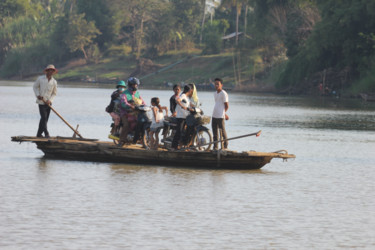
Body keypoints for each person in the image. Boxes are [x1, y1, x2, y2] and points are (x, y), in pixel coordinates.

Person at [33, 64, 58, 138]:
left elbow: (54, 93)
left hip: (48, 104)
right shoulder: (40, 79)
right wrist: (38, 95)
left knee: (45, 119)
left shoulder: (54, 82)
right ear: (46, 71)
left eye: (52, 71)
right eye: (49, 70)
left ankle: (38, 134)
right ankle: (46, 133)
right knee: (44, 118)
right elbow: (35, 87)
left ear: (53, 72)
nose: (50, 72)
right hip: (41, 102)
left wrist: (50, 100)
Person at [119, 77, 145, 146]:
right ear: (130, 85)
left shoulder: (137, 93)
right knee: (126, 124)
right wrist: (130, 106)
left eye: (136, 85)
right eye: (134, 84)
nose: (135, 86)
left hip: (135, 112)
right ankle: (121, 140)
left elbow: (142, 101)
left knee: (141, 122)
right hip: (125, 112)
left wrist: (146, 106)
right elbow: (123, 103)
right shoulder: (124, 93)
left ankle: (140, 139)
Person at [171, 85, 193, 150]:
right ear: (190, 90)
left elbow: (189, 104)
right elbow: (178, 100)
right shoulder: (183, 95)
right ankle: (173, 146)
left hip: (185, 116)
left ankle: (182, 145)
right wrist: (182, 106)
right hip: (180, 116)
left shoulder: (187, 97)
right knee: (179, 131)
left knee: (184, 131)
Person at [212, 78, 229, 150]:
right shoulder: (215, 93)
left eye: (218, 84)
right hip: (214, 115)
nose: (216, 85)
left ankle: (225, 146)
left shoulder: (223, 93)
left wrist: (224, 113)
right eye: (215, 84)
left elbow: (226, 105)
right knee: (215, 133)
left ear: (221, 85)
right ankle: (215, 147)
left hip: (220, 116)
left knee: (222, 131)